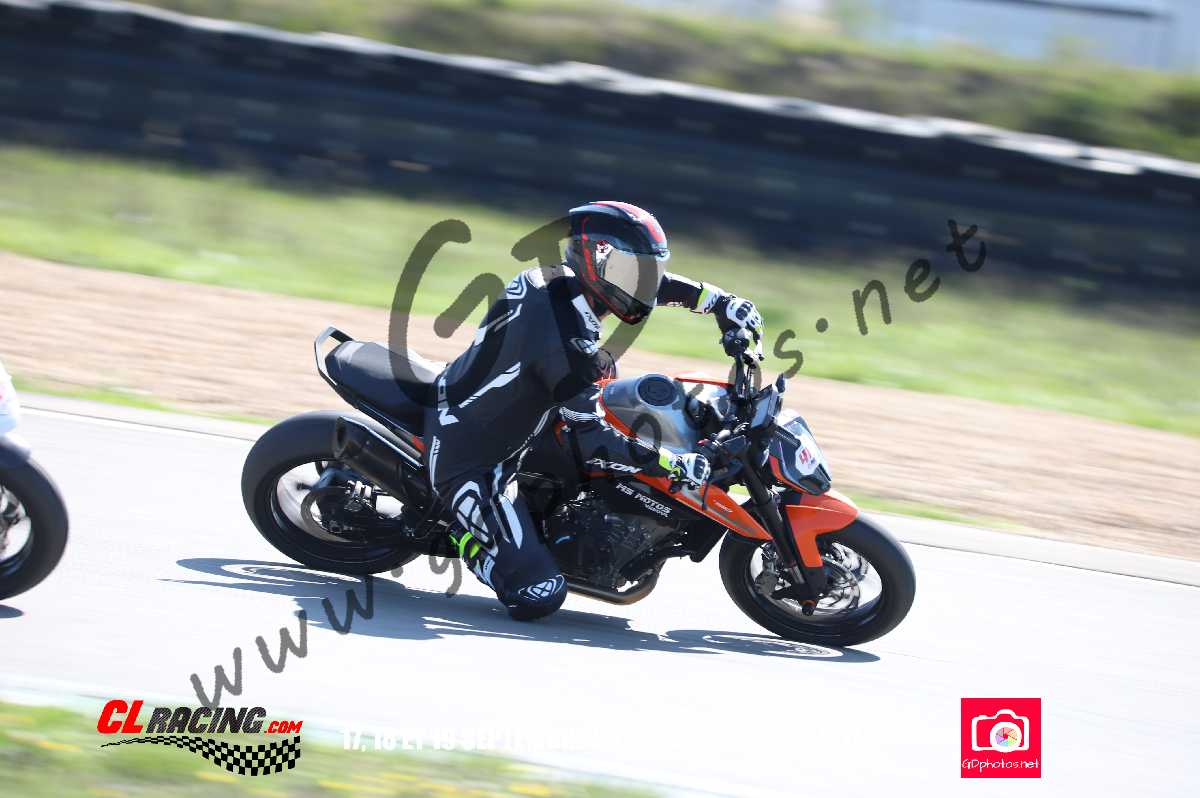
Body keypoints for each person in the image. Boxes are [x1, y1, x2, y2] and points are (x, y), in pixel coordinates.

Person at [424, 201, 765, 619]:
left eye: (647, 270)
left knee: (617, 390)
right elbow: (594, 434)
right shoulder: (562, 335)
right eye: (632, 271)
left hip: (525, 411)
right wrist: (672, 464)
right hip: (475, 451)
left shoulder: (567, 284)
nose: (644, 282)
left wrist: (720, 302)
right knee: (539, 595)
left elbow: (652, 287)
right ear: (595, 257)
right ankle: (462, 535)